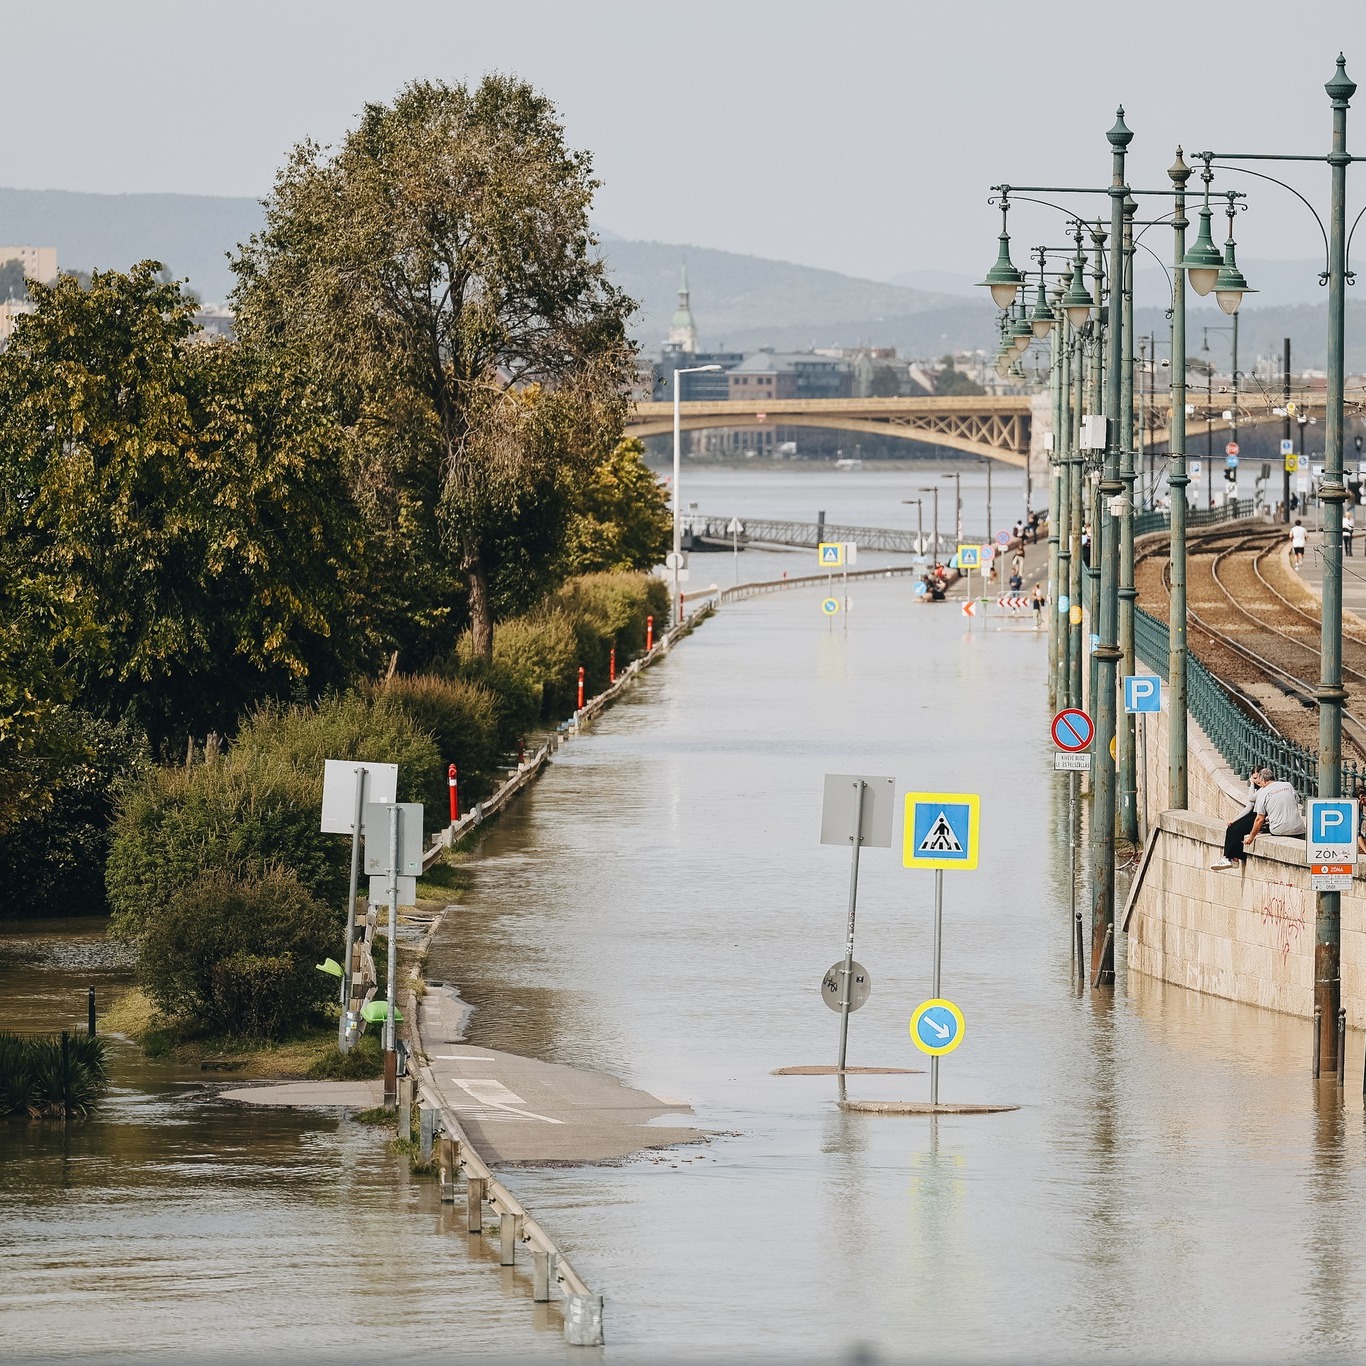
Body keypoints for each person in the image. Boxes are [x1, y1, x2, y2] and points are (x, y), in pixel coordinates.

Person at [1211, 768, 1305, 869]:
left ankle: (1231, 858)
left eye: (1260, 782)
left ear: (1264, 780)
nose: (1260, 784)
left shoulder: (1263, 793)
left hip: (1279, 830)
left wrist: (1251, 838)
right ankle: (1231, 858)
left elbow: (1259, 819)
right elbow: (1295, 803)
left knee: (1236, 829)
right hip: (1299, 828)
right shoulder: (1288, 785)